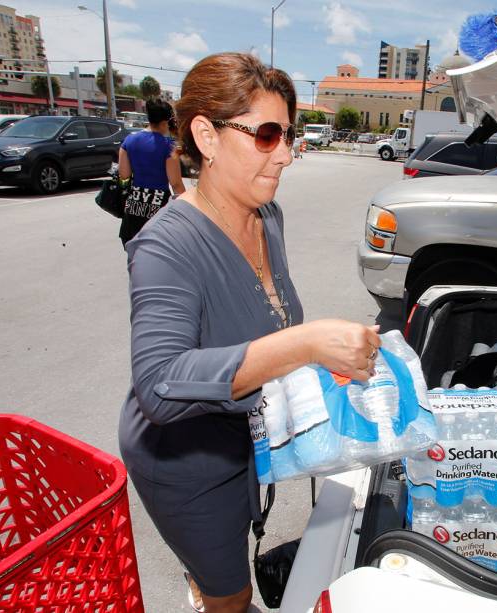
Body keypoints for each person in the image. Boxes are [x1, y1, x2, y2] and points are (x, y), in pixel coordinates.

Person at [118, 52, 381, 613]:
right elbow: (159, 383)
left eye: (289, 135)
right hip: (187, 464)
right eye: (267, 135)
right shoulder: (166, 246)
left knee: (229, 552)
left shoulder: (268, 216)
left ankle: (207, 571)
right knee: (231, 594)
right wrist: (303, 344)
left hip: (244, 441)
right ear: (206, 137)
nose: (286, 155)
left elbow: (272, 319)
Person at [118, 98, 187, 246]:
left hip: (134, 206)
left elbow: (124, 174)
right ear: (165, 122)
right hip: (158, 209)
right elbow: (175, 183)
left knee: (134, 252)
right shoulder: (168, 146)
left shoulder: (129, 141)